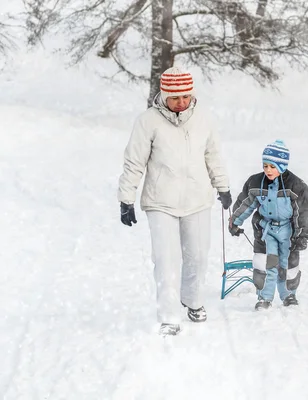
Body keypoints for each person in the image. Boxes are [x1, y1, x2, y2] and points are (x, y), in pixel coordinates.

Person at [117, 66, 231, 335]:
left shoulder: (203, 118)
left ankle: (192, 301)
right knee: (166, 259)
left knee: (198, 256)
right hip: (161, 201)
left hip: (197, 198)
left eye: (186, 97)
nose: (181, 103)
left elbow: (213, 155)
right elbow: (134, 161)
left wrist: (222, 186)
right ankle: (169, 316)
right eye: (175, 97)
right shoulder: (147, 121)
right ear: (164, 95)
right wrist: (126, 198)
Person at [229, 140, 308, 310]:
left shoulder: (295, 185)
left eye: (273, 166)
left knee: (288, 264)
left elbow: (304, 211)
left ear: (282, 166)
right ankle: (264, 297)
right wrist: (235, 222)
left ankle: (289, 295)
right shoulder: (256, 182)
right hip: (265, 228)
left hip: (288, 230)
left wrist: (302, 234)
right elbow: (245, 203)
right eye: (265, 165)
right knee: (265, 262)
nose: (268, 170)